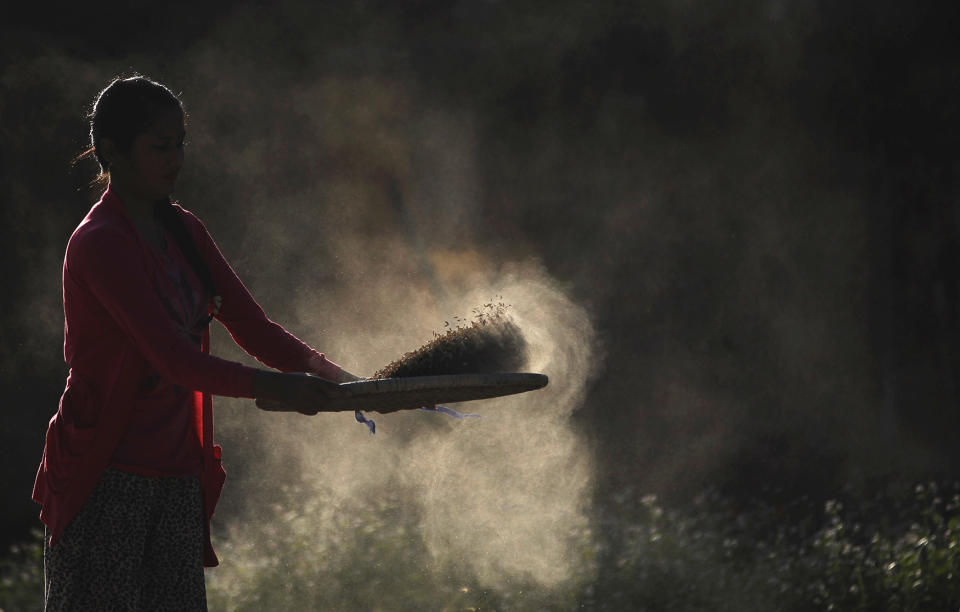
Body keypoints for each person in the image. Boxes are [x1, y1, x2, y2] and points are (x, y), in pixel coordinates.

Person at [33, 74, 391, 611]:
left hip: (178, 478)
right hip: (108, 481)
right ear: (112, 152)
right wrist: (279, 388)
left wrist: (352, 385)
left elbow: (253, 328)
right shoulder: (100, 244)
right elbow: (175, 361)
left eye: (180, 143)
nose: (175, 158)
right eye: (160, 147)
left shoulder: (184, 232)